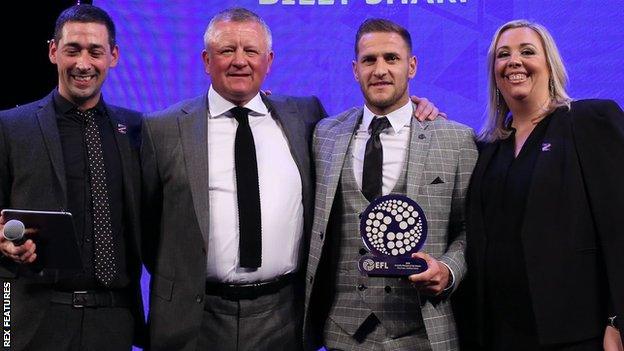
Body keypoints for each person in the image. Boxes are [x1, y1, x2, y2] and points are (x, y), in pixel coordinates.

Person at [141, 8, 441, 351]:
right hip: (195, 318)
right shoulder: (161, 129)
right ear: (207, 60)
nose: (240, 61)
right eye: (227, 51)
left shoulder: (305, 116)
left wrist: (414, 109)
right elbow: (148, 229)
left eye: (251, 51)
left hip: (284, 316)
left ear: (268, 61)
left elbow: (367, 123)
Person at [303, 18, 478, 350]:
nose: (380, 69)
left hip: (423, 331)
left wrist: (448, 270)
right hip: (344, 332)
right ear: (355, 70)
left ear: (411, 66)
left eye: (391, 58)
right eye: (369, 60)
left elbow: (472, 228)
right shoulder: (325, 135)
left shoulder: (455, 139)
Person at [459, 19, 624, 350]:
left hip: (578, 334)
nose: (514, 61)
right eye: (502, 55)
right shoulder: (487, 149)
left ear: (550, 64)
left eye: (527, 51)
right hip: (498, 333)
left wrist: (616, 320)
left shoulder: (589, 122)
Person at [0, 4, 145, 351]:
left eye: (95, 51)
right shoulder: (10, 127)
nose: (83, 64)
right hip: (31, 318)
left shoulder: (137, 130)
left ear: (113, 56)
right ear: (53, 51)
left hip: (113, 320)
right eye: (72, 50)